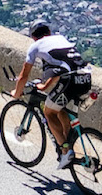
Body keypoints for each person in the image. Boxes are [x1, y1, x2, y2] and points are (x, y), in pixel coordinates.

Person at [11, 22, 92, 168]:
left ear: (33, 37)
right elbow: (61, 67)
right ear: (48, 31)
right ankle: (68, 150)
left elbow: (23, 76)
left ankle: (66, 152)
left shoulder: (35, 46)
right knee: (61, 110)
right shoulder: (60, 39)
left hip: (70, 80)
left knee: (49, 112)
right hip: (85, 78)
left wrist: (16, 94)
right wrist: (45, 86)